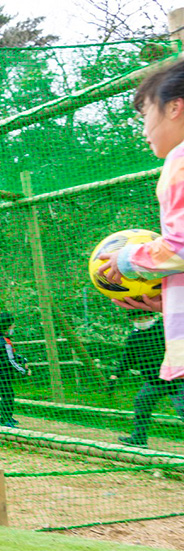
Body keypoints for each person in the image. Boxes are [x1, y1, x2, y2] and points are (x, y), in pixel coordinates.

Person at [97, 61, 184, 381]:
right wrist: (169, 300)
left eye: (145, 114)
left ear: (175, 107)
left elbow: (180, 246)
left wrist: (127, 260)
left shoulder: (180, 159)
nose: (144, 129)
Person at [109, 311, 184, 448]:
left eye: (143, 317)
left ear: (151, 316)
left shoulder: (164, 329)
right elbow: (128, 357)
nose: (141, 320)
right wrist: (116, 374)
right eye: (137, 318)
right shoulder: (135, 337)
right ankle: (139, 438)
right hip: (154, 380)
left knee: (182, 408)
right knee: (141, 403)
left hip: (177, 379)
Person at [0, 312, 30, 428]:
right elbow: (10, 361)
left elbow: (11, 355)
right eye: (12, 325)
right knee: (7, 395)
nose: (13, 327)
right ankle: (4, 420)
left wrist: (23, 359)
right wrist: (24, 371)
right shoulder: (3, 342)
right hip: (1, 373)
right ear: (6, 326)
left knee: (8, 395)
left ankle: (7, 417)